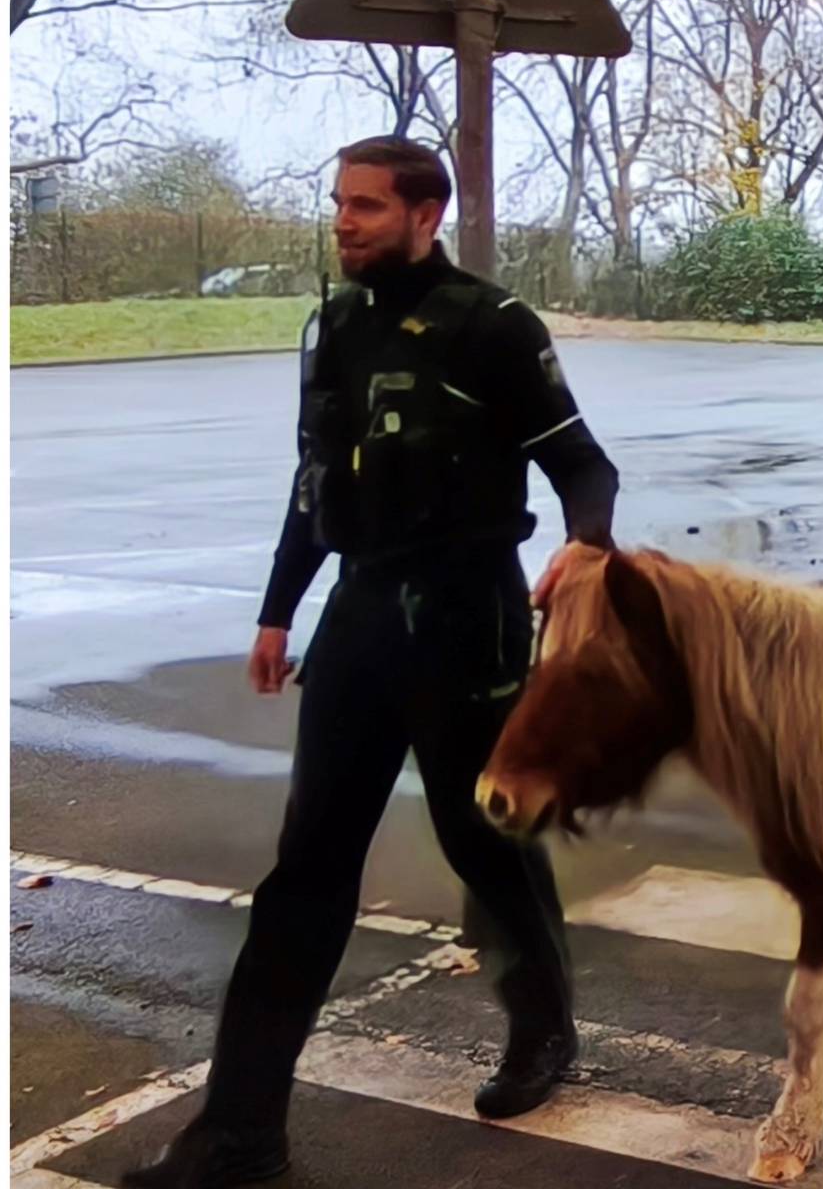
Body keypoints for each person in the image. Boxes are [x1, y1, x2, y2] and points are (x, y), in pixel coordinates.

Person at [126, 136, 620, 1188]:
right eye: (339, 203)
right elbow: (315, 487)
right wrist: (276, 611)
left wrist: (588, 544)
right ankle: (241, 1132)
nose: (342, 222)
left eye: (363, 206)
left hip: (467, 615)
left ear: (424, 213)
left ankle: (542, 1023)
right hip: (358, 619)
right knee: (306, 870)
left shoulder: (492, 327)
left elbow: (582, 460)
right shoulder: (333, 327)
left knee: (483, 838)